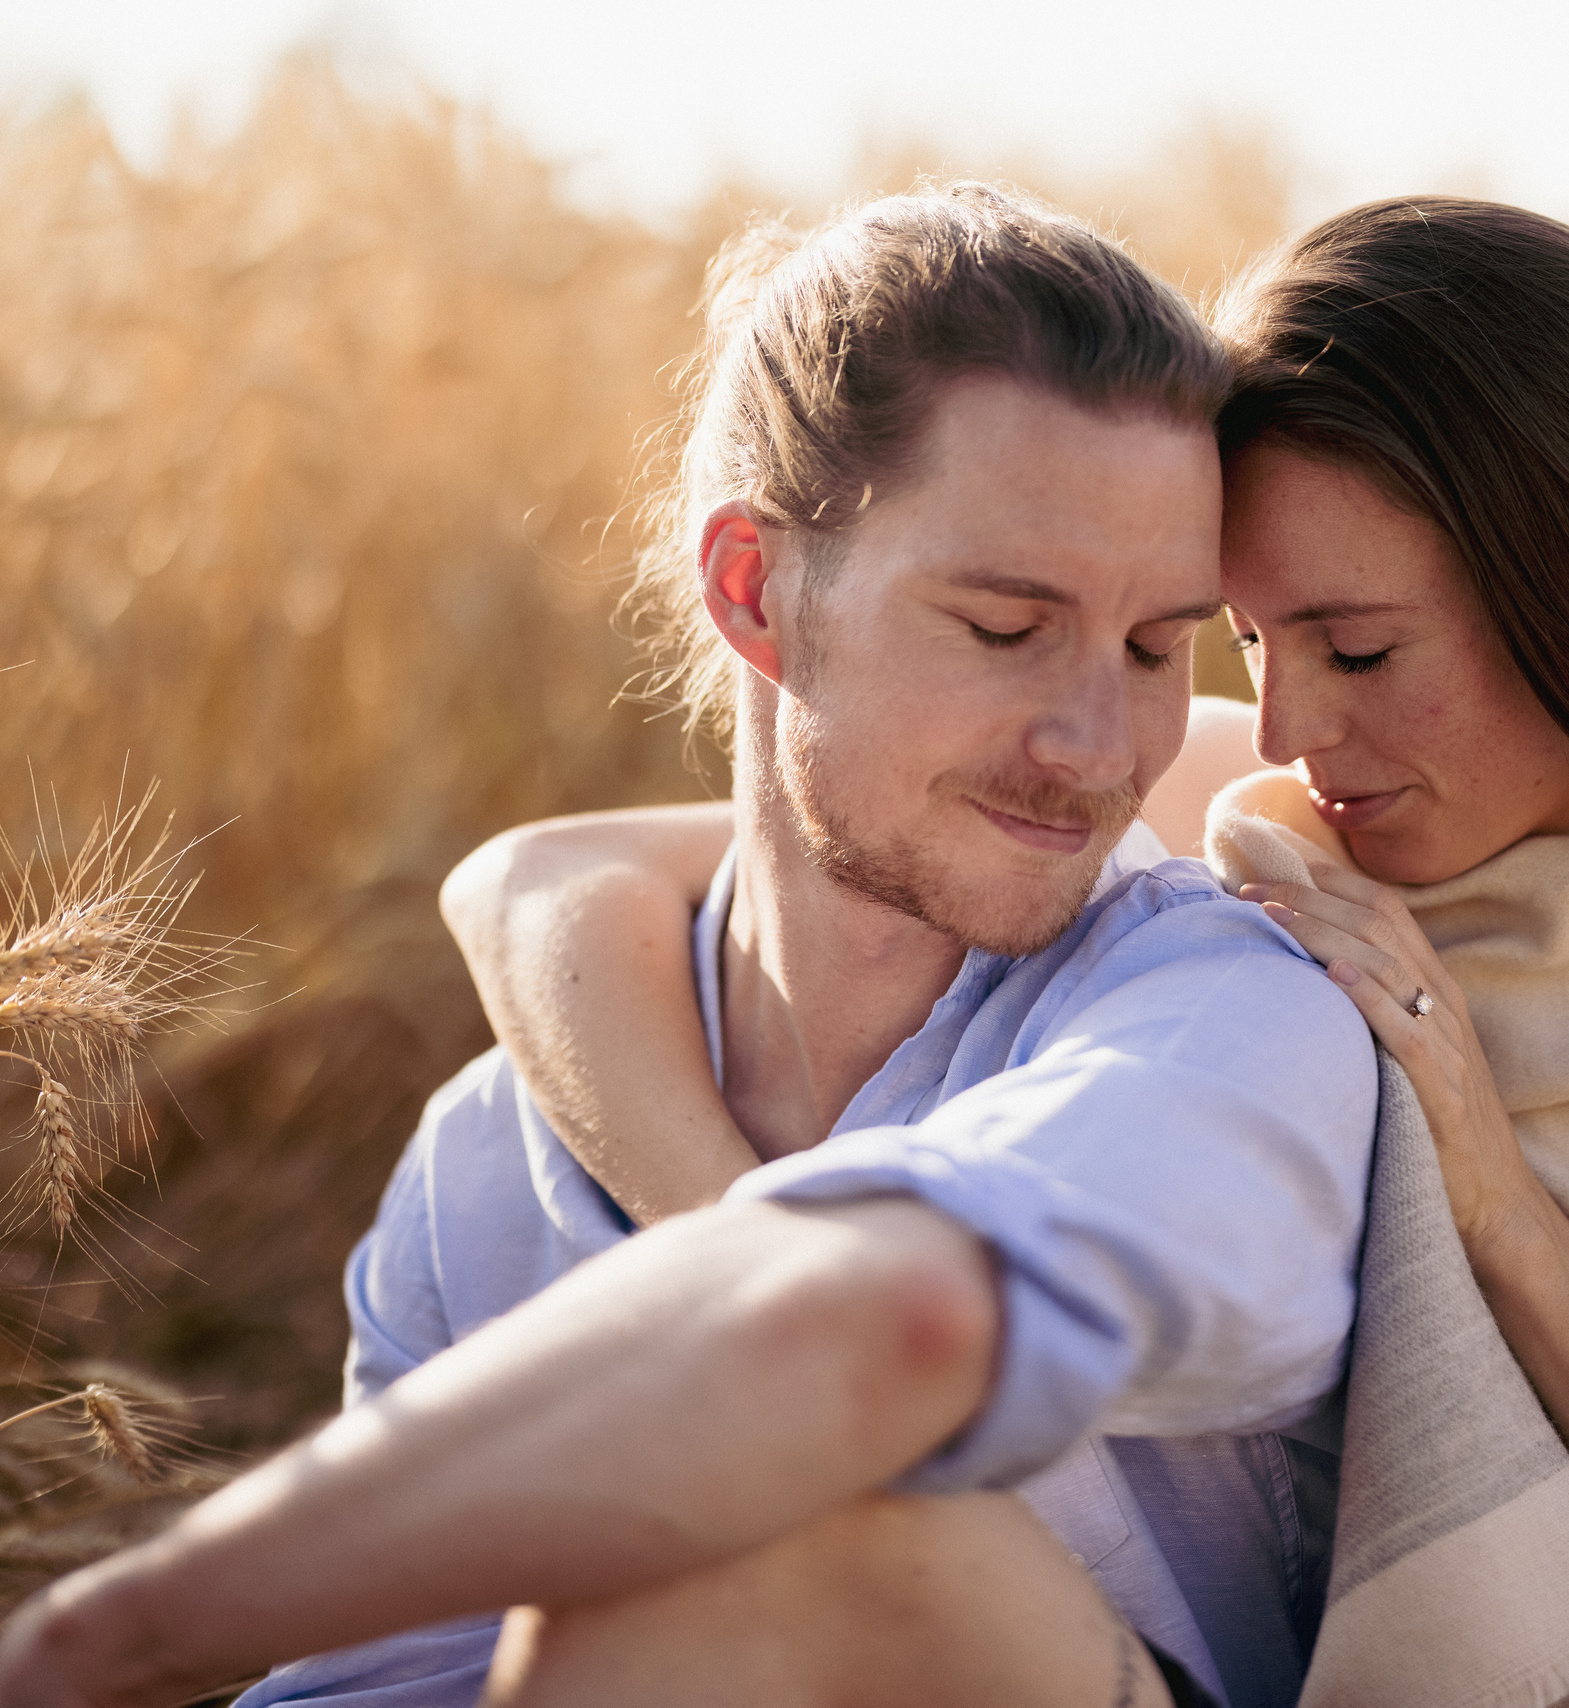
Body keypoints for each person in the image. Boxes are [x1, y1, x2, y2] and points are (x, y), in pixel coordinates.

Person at [438, 198, 1569, 1707]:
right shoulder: (1315, 818)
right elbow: (541, 880)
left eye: (1358, 644)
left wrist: (1502, 1205)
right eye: (1243, 647)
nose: (1298, 726)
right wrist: (733, 1286)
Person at [0, 185, 1382, 1708]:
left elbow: (885, 1326)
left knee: (785, 1526)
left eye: (1150, 648)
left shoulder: (1222, 1017)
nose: (1097, 743)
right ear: (755, 590)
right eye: (1004, 628)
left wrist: (101, 1646)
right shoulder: (488, 1165)